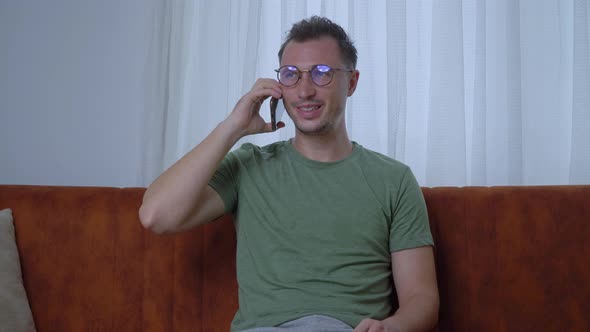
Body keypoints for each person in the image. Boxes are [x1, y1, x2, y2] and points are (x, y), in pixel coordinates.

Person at [139, 16, 439, 332]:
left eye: (322, 73)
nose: (304, 90)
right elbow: (155, 215)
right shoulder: (247, 166)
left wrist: (391, 328)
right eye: (291, 75)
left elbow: (421, 298)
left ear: (351, 82)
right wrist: (233, 127)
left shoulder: (394, 180)